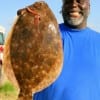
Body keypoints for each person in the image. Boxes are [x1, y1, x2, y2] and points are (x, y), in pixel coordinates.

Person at [33, 0, 100, 100]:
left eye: (79, 0)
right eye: (68, 1)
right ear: (62, 7)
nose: (73, 4)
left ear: (88, 6)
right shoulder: (43, 34)